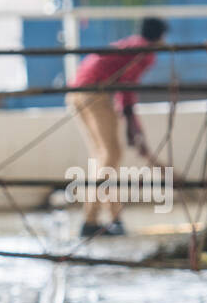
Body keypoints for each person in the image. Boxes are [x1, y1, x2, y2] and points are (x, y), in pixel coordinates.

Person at [67, 16, 168, 237]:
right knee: (111, 154)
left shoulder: (132, 43)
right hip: (95, 91)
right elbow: (127, 88)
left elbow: (124, 86)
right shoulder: (145, 52)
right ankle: (90, 220)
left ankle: (114, 217)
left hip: (77, 90)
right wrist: (134, 127)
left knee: (102, 156)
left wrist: (134, 127)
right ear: (160, 38)